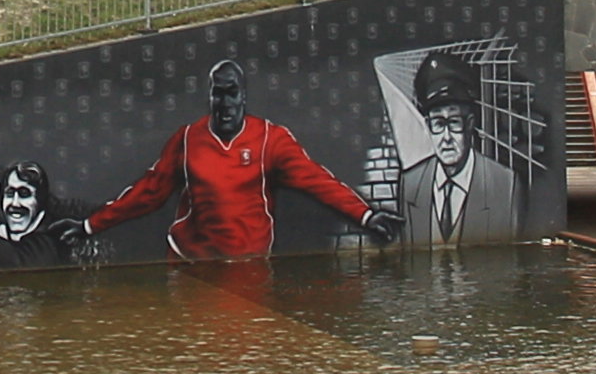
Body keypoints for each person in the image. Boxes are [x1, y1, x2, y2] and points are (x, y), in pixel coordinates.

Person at [90, 58, 373, 261]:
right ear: (210, 97)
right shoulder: (188, 139)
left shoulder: (270, 139)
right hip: (190, 262)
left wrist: (366, 215)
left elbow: (317, 180)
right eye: (218, 94)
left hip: (248, 264)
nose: (225, 104)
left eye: (232, 93)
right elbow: (149, 192)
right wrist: (89, 226)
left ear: (244, 97)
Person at [388, 48, 513, 246]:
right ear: (428, 126)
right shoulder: (410, 184)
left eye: (453, 122)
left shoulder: (505, 185)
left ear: (470, 123)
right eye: (438, 123)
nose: (446, 138)